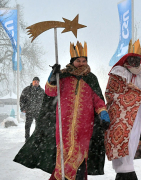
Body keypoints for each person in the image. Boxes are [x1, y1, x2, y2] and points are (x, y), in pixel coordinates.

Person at [14, 41, 110, 180]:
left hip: (84, 126)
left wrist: (103, 113)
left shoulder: (91, 78)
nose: (82, 63)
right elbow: (50, 91)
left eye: (84, 60)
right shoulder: (63, 76)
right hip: (64, 124)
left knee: (80, 156)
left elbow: (98, 100)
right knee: (63, 155)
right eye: (78, 60)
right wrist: (53, 76)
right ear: (72, 61)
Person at [104, 39, 141, 180]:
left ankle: (127, 169)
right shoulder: (118, 73)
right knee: (121, 142)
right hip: (120, 116)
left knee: (132, 140)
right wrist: (134, 95)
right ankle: (125, 171)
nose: (135, 63)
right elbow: (111, 94)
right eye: (132, 60)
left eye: (137, 60)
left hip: (136, 115)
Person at [20, 76, 44, 142]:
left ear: (39, 83)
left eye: (37, 82)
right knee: (28, 125)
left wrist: (43, 109)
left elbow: (44, 101)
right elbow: (22, 99)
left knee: (38, 125)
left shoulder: (42, 91)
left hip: (38, 111)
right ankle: (27, 138)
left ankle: (37, 138)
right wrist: (23, 108)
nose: (36, 83)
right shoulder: (27, 90)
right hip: (29, 110)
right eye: (35, 81)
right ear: (32, 82)